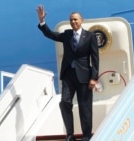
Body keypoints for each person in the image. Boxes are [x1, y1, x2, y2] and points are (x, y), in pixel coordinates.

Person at [36, 5, 99, 141]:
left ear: (82, 21)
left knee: (85, 107)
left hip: (84, 77)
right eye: (71, 20)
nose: (73, 22)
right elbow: (51, 34)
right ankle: (70, 135)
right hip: (68, 76)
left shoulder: (90, 36)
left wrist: (94, 78)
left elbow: (95, 58)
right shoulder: (67, 34)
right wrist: (42, 21)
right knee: (64, 102)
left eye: (75, 19)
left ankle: (86, 136)